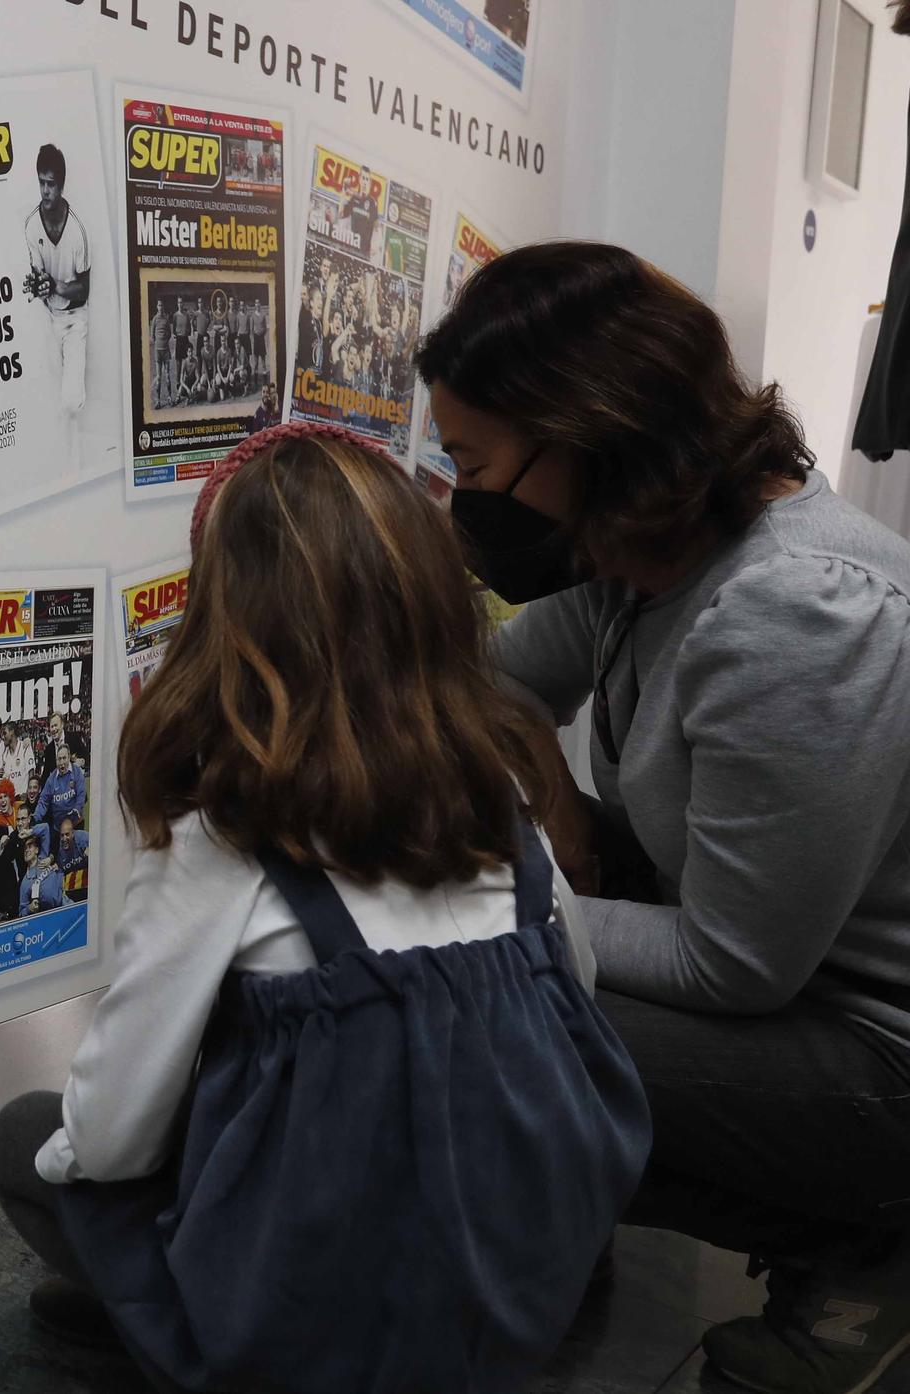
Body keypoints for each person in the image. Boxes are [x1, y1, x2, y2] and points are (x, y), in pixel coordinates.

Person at [0, 420, 645, 1392]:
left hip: (321, 1329)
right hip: (524, 1280)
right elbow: (574, 991)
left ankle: (164, 1318)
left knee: (23, 1139)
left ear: (224, 621)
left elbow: (114, 1132)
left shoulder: (224, 835)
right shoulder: (498, 796)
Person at [420, 239, 910, 1392]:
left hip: (877, 1059)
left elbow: (732, 964)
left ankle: (862, 1250)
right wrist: (552, 808)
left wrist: (507, 901)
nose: (469, 503)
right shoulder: (642, 560)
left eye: (479, 465)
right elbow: (484, 688)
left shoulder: (794, 610)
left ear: (590, 434)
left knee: (460, 1022)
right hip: (791, 990)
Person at [22, 143, 90, 443]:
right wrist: (37, 285)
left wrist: (57, 286)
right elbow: (38, 276)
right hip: (48, 317)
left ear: (61, 185)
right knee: (47, 399)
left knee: (71, 401)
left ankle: (77, 450)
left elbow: (84, 291)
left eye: (51, 184)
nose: (45, 190)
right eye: (41, 182)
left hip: (74, 318)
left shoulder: (77, 231)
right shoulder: (30, 226)